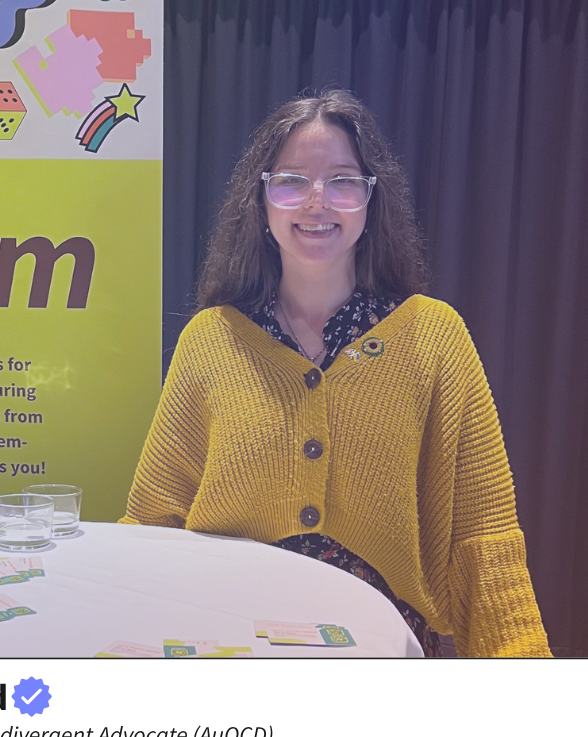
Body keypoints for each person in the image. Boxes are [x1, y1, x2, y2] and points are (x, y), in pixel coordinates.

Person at [124, 89, 549, 658]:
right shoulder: (212, 339)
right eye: (292, 181)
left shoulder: (433, 336)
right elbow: (154, 520)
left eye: (343, 181)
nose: (316, 202)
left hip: (374, 650)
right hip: (226, 642)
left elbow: (483, 534)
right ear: (263, 201)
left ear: (371, 201)